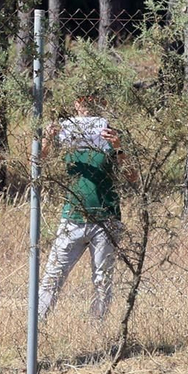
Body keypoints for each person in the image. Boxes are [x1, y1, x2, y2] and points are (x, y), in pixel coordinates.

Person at [37, 92, 126, 321]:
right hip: (72, 217)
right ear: (75, 104)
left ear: (102, 104)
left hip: (106, 218)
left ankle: (97, 329)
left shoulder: (112, 134)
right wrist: (47, 138)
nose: (87, 106)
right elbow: (37, 163)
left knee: (102, 279)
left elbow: (132, 175)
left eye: (94, 100)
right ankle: (35, 328)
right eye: (82, 100)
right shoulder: (65, 134)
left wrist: (117, 146)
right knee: (52, 276)